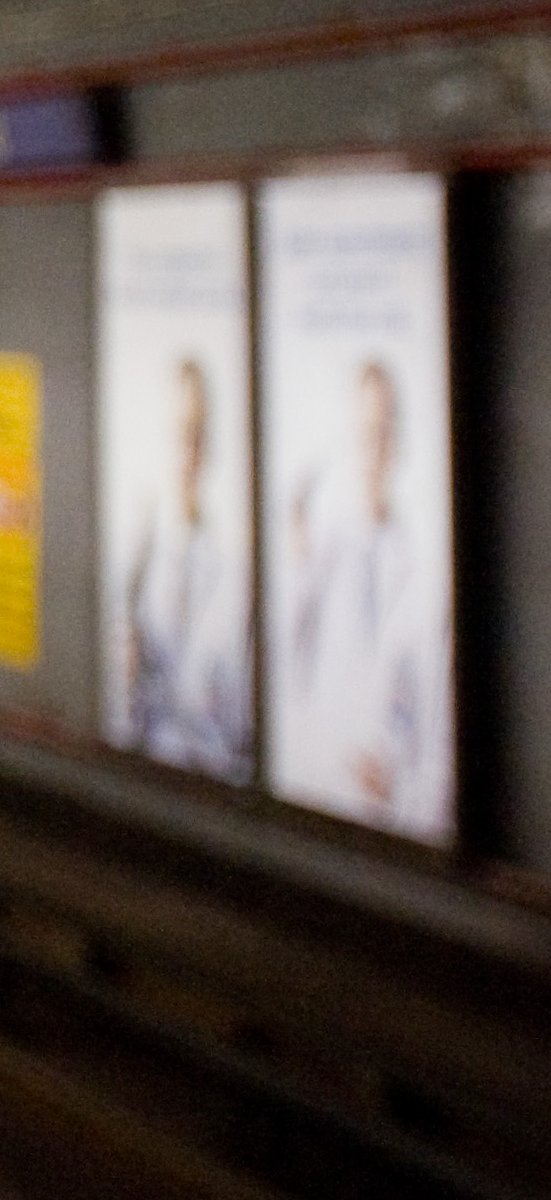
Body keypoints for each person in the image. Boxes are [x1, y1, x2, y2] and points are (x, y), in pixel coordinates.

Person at [277, 356, 447, 837]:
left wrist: (400, 789)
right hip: (317, 802)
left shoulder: (421, 569)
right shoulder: (318, 553)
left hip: (396, 822)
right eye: (366, 432)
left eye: (386, 431)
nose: (376, 448)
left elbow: (433, 724)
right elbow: (282, 676)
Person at [111, 353, 252, 777]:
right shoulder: (133, 562)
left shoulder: (232, 573)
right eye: (179, 433)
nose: (189, 451)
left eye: (198, 433)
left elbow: (240, 729)